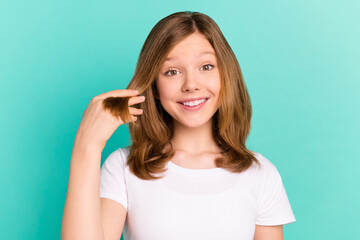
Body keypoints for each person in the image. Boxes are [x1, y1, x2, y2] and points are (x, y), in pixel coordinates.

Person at [61, 11, 296, 240]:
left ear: (226, 75)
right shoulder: (123, 168)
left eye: (206, 66)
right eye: (172, 72)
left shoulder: (261, 174)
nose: (191, 84)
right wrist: (87, 146)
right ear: (154, 87)